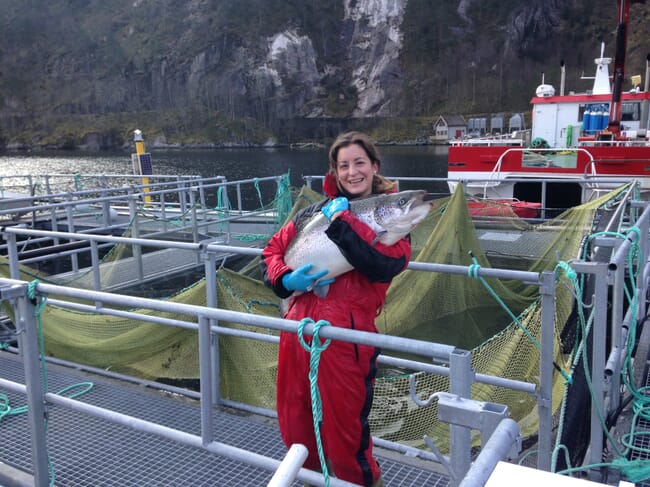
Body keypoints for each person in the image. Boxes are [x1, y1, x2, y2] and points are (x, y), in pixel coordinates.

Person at [261, 131, 412, 487]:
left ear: (375, 167)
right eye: (344, 165)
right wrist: (286, 281)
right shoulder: (310, 215)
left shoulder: (393, 225)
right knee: (296, 424)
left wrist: (344, 223)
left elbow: (381, 264)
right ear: (335, 171)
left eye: (360, 162)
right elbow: (270, 253)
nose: (352, 171)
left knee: (345, 432)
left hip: (346, 339)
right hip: (296, 332)